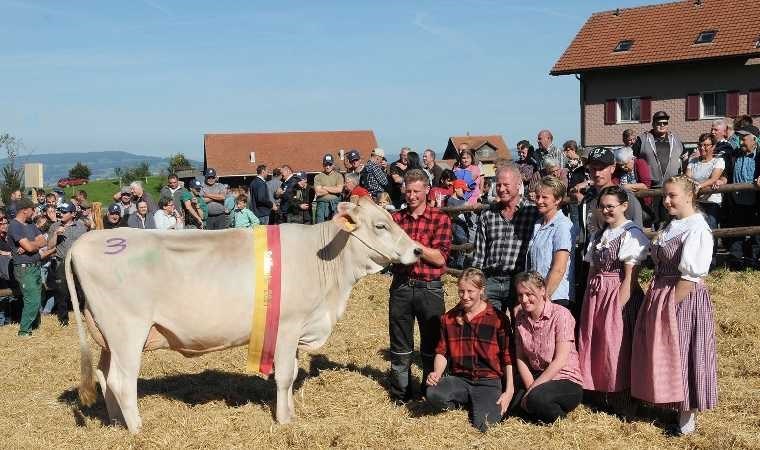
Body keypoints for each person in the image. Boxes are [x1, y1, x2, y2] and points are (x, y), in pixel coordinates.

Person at [631, 176, 718, 435]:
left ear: (689, 196)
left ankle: (686, 420)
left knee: (683, 352)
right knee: (668, 352)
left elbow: (690, 277)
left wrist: (668, 306)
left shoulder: (697, 228)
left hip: (683, 297)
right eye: (665, 196)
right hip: (662, 293)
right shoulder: (674, 225)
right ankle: (671, 404)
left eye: (672, 196)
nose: (666, 201)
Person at [577, 186, 648, 415]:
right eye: (603, 206)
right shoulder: (601, 234)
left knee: (617, 345)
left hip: (618, 294)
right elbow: (592, 269)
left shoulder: (631, 233)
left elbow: (630, 278)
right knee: (595, 342)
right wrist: (589, 297)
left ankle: (625, 401)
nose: (606, 211)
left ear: (624, 206)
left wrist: (618, 308)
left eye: (611, 206)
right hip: (597, 295)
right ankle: (600, 393)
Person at [388, 169, 451, 402]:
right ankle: (400, 393)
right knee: (400, 345)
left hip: (429, 287)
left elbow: (440, 258)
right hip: (402, 285)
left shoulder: (440, 218)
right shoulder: (396, 219)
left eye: (416, 191)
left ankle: (429, 392)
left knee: (431, 345)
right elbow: (390, 254)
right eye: (408, 191)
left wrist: (412, 245)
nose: (411, 195)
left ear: (427, 190)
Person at [426, 268, 514, 432]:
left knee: (485, 425)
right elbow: (442, 351)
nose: (465, 296)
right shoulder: (449, 318)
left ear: (482, 290)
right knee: (433, 393)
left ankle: (479, 403)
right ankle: (467, 401)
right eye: (461, 291)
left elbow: (508, 357)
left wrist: (509, 391)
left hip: (488, 381)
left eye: (470, 291)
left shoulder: (498, 319)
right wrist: (437, 373)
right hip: (461, 378)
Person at [513, 271, 583, 423]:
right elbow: (521, 357)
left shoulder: (561, 315)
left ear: (543, 290)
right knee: (508, 394)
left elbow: (560, 360)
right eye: (520, 295)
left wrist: (531, 392)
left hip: (565, 378)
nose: (524, 300)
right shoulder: (520, 317)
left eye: (529, 294)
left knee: (537, 399)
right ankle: (535, 412)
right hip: (537, 375)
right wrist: (530, 386)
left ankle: (560, 423)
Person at [472, 164, 539, 312]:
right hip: (491, 280)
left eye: (506, 185)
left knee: (521, 328)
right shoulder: (488, 214)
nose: (501, 189)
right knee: (491, 327)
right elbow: (479, 254)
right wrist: (476, 283)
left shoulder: (532, 212)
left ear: (518, 184)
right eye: (498, 185)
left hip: (519, 280)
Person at [527, 176, 576, 308]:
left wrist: (543, 298)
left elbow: (559, 268)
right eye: (537, 197)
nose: (539, 201)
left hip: (555, 296)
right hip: (537, 295)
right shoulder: (538, 224)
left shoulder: (562, 225)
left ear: (558, 199)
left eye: (544, 197)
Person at [632, 111, 685, 226]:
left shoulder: (675, 139)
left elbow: (685, 157)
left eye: (664, 123)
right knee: (652, 221)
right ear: (653, 124)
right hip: (651, 188)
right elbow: (632, 160)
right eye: (658, 123)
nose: (662, 125)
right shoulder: (643, 139)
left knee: (672, 220)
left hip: (672, 186)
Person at [721, 125, 760, 269]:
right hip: (736, 202)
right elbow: (726, 173)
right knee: (736, 232)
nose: (741, 142)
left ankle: (754, 262)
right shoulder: (733, 155)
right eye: (740, 139)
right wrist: (723, 180)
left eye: (744, 139)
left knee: (757, 234)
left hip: (756, 202)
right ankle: (736, 263)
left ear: (754, 140)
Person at [8, 197, 47, 337]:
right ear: (25, 210)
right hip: (25, 268)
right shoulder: (14, 226)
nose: (34, 211)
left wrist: (31, 245)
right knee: (32, 299)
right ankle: (24, 332)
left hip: (36, 266)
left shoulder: (30, 224)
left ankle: (34, 326)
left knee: (37, 297)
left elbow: (43, 240)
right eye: (32, 209)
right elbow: (31, 247)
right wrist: (32, 245)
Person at [47, 201, 88, 326]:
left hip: (78, 262)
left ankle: (85, 315)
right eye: (60, 211)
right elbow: (49, 246)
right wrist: (56, 234)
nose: (61, 214)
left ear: (73, 214)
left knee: (82, 290)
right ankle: (63, 320)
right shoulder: (55, 226)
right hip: (61, 262)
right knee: (62, 292)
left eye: (64, 212)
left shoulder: (81, 226)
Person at [685, 133, 725, 231]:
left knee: (711, 229)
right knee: (695, 230)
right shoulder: (693, 161)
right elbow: (687, 177)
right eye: (700, 145)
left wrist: (698, 186)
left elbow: (713, 178)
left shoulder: (718, 161)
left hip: (712, 202)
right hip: (695, 202)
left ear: (713, 146)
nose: (702, 148)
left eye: (706, 145)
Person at [446, 179, 473, 269]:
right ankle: (459, 265)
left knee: (462, 243)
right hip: (456, 224)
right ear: (456, 189)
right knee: (462, 241)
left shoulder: (462, 199)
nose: (465, 192)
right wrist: (463, 208)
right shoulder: (451, 200)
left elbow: (467, 208)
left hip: (463, 224)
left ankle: (456, 262)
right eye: (463, 190)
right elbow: (452, 214)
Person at [313, 154, 344, 223]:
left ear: (333, 165)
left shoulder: (339, 176)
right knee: (320, 227)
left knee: (335, 227)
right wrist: (333, 189)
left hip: (335, 205)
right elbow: (318, 192)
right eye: (325, 164)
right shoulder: (318, 177)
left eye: (329, 164)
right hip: (321, 205)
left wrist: (324, 187)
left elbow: (339, 190)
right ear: (323, 165)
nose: (327, 167)